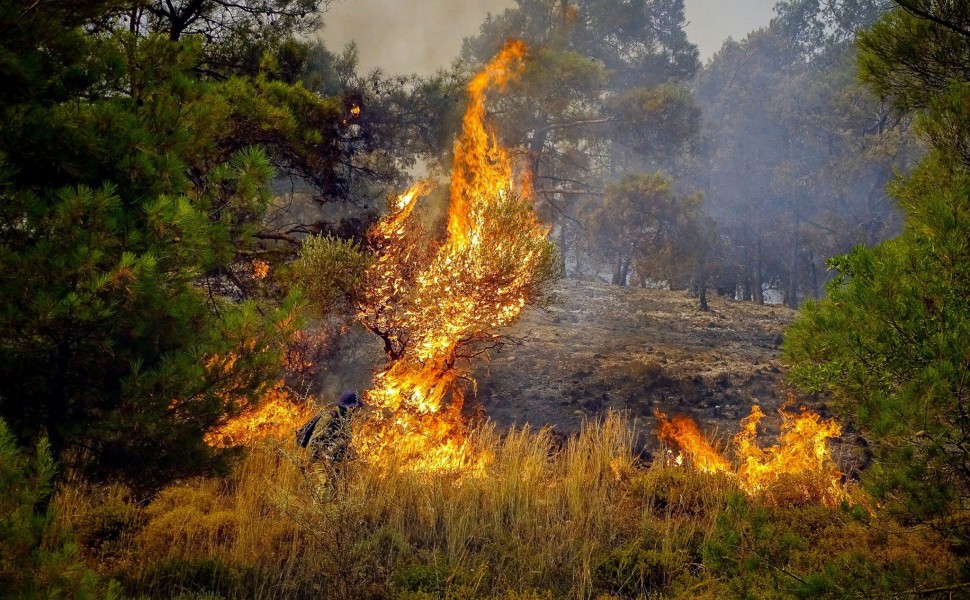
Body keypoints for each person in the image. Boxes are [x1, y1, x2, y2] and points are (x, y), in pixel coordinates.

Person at [299, 390, 363, 463]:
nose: (355, 411)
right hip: (317, 458)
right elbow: (314, 442)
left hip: (329, 453)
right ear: (349, 407)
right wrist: (324, 459)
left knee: (353, 456)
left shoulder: (344, 419)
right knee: (340, 443)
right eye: (354, 407)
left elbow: (345, 439)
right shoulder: (329, 418)